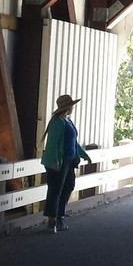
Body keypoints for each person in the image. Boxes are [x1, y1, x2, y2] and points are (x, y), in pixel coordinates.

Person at [41, 94, 91, 233]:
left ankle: (60, 216)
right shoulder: (58, 122)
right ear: (68, 107)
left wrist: (83, 154)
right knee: (56, 190)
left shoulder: (68, 121)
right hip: (59, 161)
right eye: (72, 105)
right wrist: (55, 161)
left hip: (69, 161)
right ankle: (52, 220)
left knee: (68, 186)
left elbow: (73, 142)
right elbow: (52, 144)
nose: (73, 107)